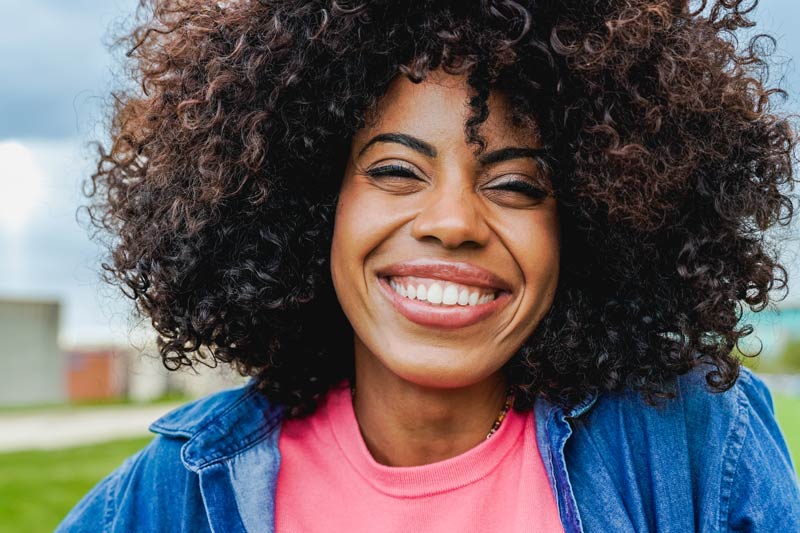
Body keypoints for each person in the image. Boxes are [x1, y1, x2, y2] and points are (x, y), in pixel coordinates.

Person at [58, 0, 800, 531]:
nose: (452, 223)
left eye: (515, 184)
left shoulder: (693, 440)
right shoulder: (179, 492)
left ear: (590, 222)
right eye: (395, 171)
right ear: (316, 202)